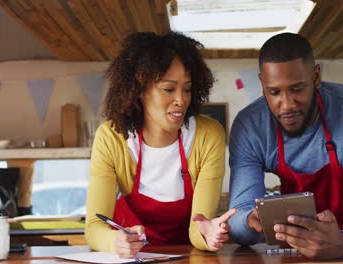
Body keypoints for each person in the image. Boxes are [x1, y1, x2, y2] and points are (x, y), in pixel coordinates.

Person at [228, 32, 343, 259]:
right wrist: (249, 221)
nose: (287, 105)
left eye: (297, 89)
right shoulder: (250, 126)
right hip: (294, 254)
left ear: (316, 77)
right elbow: (237, 218)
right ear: (262, 84)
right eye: (274, 92)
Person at [85, 31, 236, 258]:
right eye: (169, 89)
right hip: (131, 258)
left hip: (188, 255)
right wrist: (114, 242)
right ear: (139, 90)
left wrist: (208, 235)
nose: (181, 99)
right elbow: (95, 226)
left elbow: (198, 227)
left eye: (186, 89)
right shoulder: (110, 138)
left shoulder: (209, 135)